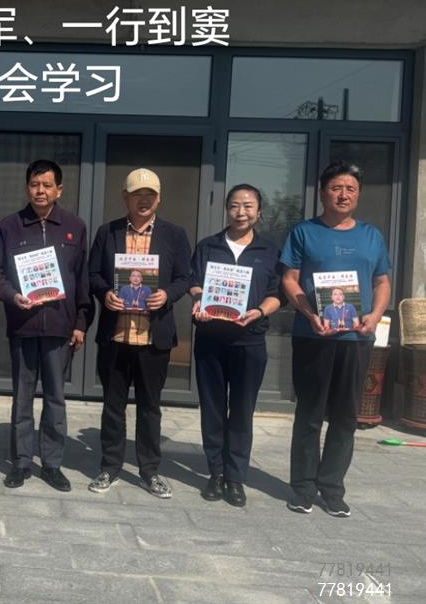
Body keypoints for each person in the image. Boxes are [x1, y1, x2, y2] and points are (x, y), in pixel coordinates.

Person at [281, 161, 390, 517]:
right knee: (309, 414)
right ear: (323, 192)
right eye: (336, 188)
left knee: (345, 416)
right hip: (313, 335)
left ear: (358, 195)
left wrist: (374, 315)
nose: (343, 195)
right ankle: (302, 488)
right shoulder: (304, 232)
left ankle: (332, 488)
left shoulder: (371, 235)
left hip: (356, 339)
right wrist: (309, 314)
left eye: (351, 189)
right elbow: (290, 279)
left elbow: (382, 282)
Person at [87, 168, 191, 499]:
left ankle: (150, 471)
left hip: (153, 336)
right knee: (112, 406)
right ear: (125, 197)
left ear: (158, 199)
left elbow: (185, 277)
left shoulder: (174, 234)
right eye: (137, 194)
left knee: (150, 407)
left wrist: (168, 295)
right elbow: (93, 273)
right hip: (116, 335)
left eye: (150, 195)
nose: (143, 200)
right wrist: (105, 293)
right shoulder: (108, 232)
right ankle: (110, 467)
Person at [0, 160, 92, 492]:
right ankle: (20, 462)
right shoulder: (9, 226)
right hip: (23, 324)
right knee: (22, 398)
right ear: (27, 188)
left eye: (47, 185)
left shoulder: (75, 227)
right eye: (35, 184)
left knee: (55, 399)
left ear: (58, 190)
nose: (40, 191)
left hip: (60, 328)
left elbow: (82, 280)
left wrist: (80, 322)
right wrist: (12, 296)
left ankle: (52, 464)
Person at [189, 184, 283, 508]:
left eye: (248, 206)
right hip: (211, 339)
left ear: (259, 211)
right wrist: (199, 300)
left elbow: (277, 294)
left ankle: (236, 477)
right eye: (235, 205)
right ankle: (215, 473)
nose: (241, 212)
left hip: (250, 341)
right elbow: (194, 282)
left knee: (242, 411)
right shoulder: (208, 246)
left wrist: (260, 311)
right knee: (212, 409)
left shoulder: (269, 251)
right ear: (226, 209)